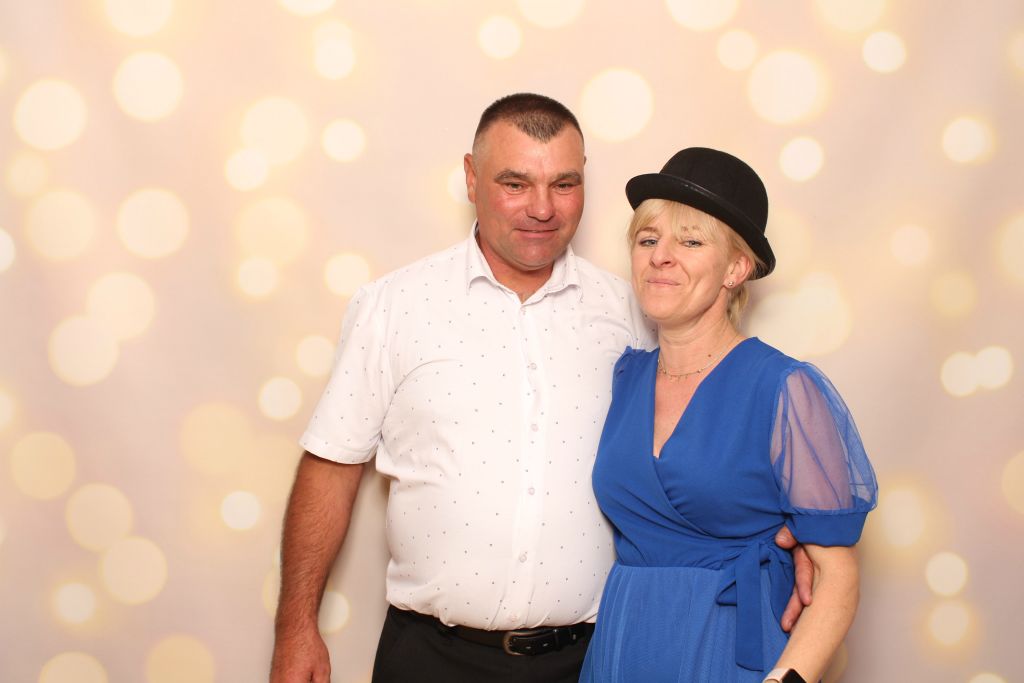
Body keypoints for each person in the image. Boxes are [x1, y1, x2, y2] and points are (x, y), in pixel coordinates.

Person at [269, 95, 811, 683]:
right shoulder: (394, 306)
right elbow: (332, 466)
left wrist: (795, 536)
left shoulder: (635, 312)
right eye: (515, 183)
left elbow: (706, 439)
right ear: (471, 178)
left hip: (592, 660)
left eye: (564, 184)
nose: (542, 208)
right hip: (429, 656)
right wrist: (296, 627)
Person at [578, 147, 879, 683]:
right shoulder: (624, 376)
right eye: (648, 239)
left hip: (729, 653)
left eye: (691, 241)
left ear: (737, 268)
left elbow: (837, 577)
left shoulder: (783, 388)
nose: (661, 257)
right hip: (625, 645)